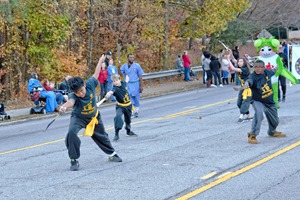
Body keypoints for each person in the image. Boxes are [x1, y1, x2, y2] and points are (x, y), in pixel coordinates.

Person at [59, 55, 122, 171]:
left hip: (93, 117)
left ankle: (112, 154)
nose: (81, 94)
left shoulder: (90, 84)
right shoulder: (73, 95)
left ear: (84, 85)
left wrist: (100, 61)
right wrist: (63, 106)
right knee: (71, 133)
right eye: (78, 93)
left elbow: (96, 73)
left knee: (102, 136)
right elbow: (71, 102)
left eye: (82, 91)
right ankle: (73, 159)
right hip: (79, 118)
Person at [243, 60, 286, 144]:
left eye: (260, 67)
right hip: (257, 100)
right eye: (256, 67)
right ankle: (252, 134)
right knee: (259, 113)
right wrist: (247, 84)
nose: (258, 69)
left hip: (269, 101)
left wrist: (277, 67)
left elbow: (274, 71)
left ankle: (272, 131)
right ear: (254, 68)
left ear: (264, 67)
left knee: (275, 121)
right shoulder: (252, 77)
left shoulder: (267, 72)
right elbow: (249, 81)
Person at [105, 74, 137, 141]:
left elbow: (125, 82)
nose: (116, 82)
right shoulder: (115, 88)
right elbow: (111, 92)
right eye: (114, 81)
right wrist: (108, 94)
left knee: (128, 120)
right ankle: (116, 134)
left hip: (128, 105)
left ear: (120, 79)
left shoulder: (123, 84)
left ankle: (128, 131)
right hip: (120, 106)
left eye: (117, 80)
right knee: (118, 117)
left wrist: (127, 79)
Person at [120, 53, 144, 118]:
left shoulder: (137, 66)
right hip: (128, 84)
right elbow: (120, 72)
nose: (132, 59)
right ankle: (132, 112)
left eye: (133, 57)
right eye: (130, 57)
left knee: (136, 98)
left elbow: (140, 76)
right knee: (129, 98)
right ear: (128, 58)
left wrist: (141, 86)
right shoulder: (124, 66)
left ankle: (136, 111)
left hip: (136, 84)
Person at [229, 58, 253, 123]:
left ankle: (241, 117)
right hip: (243, 88)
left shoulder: (245, 69)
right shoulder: (240, 67)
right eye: (239, 61)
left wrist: (228, 59)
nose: (239, 62)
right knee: (239, 103)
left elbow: (233, 68)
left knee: (245, 102)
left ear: (244, 62)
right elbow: (234, 60)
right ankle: (249, 116)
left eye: (241, 61)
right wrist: (230, 54)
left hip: (248, 89)